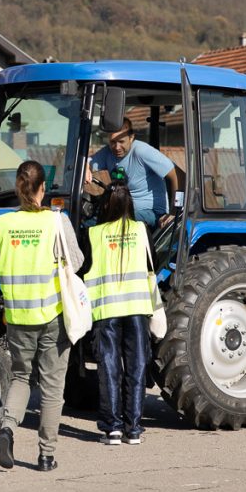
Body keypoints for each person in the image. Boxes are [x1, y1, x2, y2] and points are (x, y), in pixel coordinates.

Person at [0, 160, 83, 472]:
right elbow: (78, 260)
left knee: (20, 377)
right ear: (42, 188)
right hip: (51, 316)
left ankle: (6, 428)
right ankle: (46, 455)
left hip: (18, 314)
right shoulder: (56, 221)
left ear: (18, 188)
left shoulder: (3, 222)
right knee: (52, 387)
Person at [84, 180, 155, 446]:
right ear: (131, 205)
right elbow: (152, 263)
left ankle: (112, 428)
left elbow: (85, 268)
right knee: (136, 368)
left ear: (106, 205)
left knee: (109, 369)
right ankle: (133, 429)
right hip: (137, 309)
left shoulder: (95, 234)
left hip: (106, 310)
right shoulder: (141, 230)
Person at [90, 120, 178, 228]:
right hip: (124, 210)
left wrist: (174, 212)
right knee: (88, 221)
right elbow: (88, 163)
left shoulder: (142, 151)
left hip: (151, 213)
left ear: (131, 138)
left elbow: (177, 175)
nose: (117, 147)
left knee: (112, 222)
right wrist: (85, 168)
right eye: (113, 142)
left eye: (121, 142)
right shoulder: (108, 152)